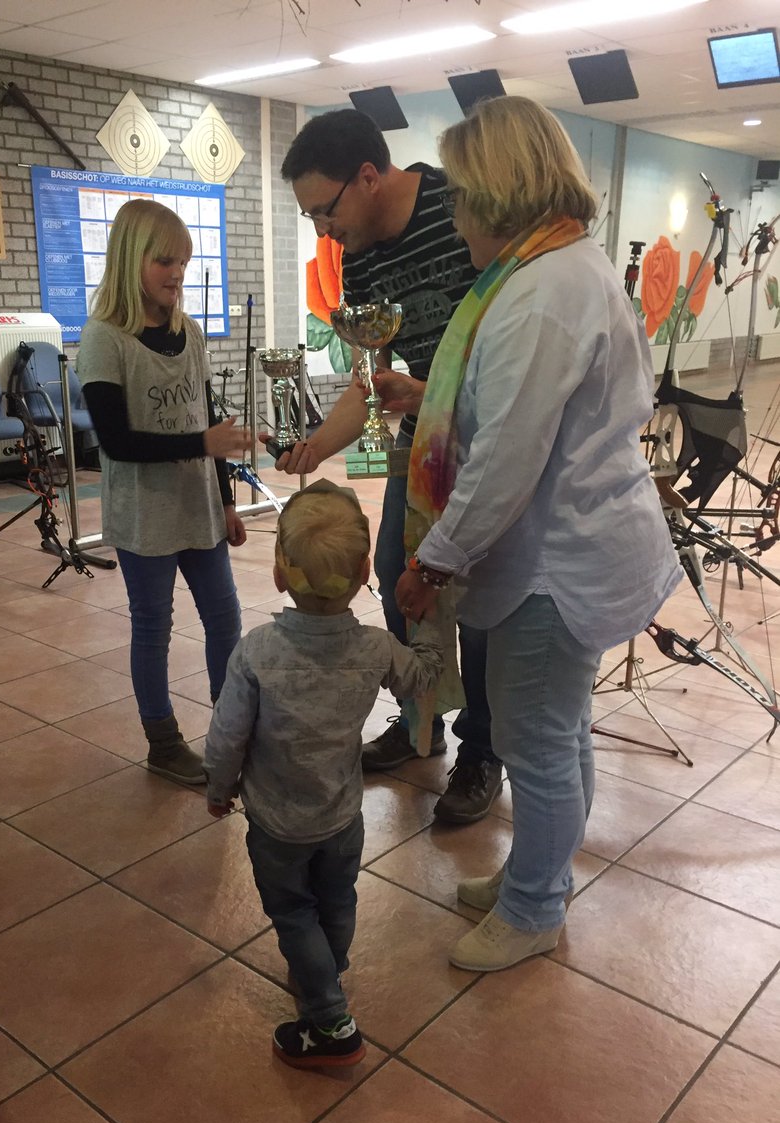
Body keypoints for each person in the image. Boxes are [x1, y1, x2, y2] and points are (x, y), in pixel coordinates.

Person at [395, 96, 683, 973]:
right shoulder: (561, 268)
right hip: (571, 549)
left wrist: (432, 562)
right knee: (560, 731)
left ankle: (533, 910)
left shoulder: (541, 292)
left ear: (498, 190)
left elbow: (504, 461)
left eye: (459, 195)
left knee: (539, 743)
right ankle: (541, 879)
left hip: (554, 565)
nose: (454, 216)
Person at [271, 109, 501, 825]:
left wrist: (431, 393)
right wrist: (317, 445)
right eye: (310, 217)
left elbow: (507, 358)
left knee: (479, 600)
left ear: (368, 177)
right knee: (399, 576)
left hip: (490, 435)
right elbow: (370, 382)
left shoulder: (463, 208)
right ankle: (418, 719)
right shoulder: (362, 255)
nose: (322, 231)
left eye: (324, 210)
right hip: (422, 439)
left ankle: (482, 749)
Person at [204, 479, 443, 1069]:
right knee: (337, 903)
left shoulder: (256, 652)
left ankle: (331, 1021)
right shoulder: (377, 649)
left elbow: (227, 736)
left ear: (279, 573)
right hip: (341, 817)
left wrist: (218, 787)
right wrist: (431, 630)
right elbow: (421, 677)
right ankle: (325, 970)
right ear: (365, 572)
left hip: (277, 825)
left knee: (292, 913)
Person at [77, 199, 251, 787]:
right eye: (164, 262)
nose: (177, 274)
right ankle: (164, 743)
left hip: (199, 506)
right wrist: (203, 442)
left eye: (183, 262)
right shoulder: (104, 338)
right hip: (145, 513)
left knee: (225, 618)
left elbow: (208, 421)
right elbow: (116, 442)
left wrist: (226, 501)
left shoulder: (188, 331)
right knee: (153, 626)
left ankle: (230, 732)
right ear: (131, 259)